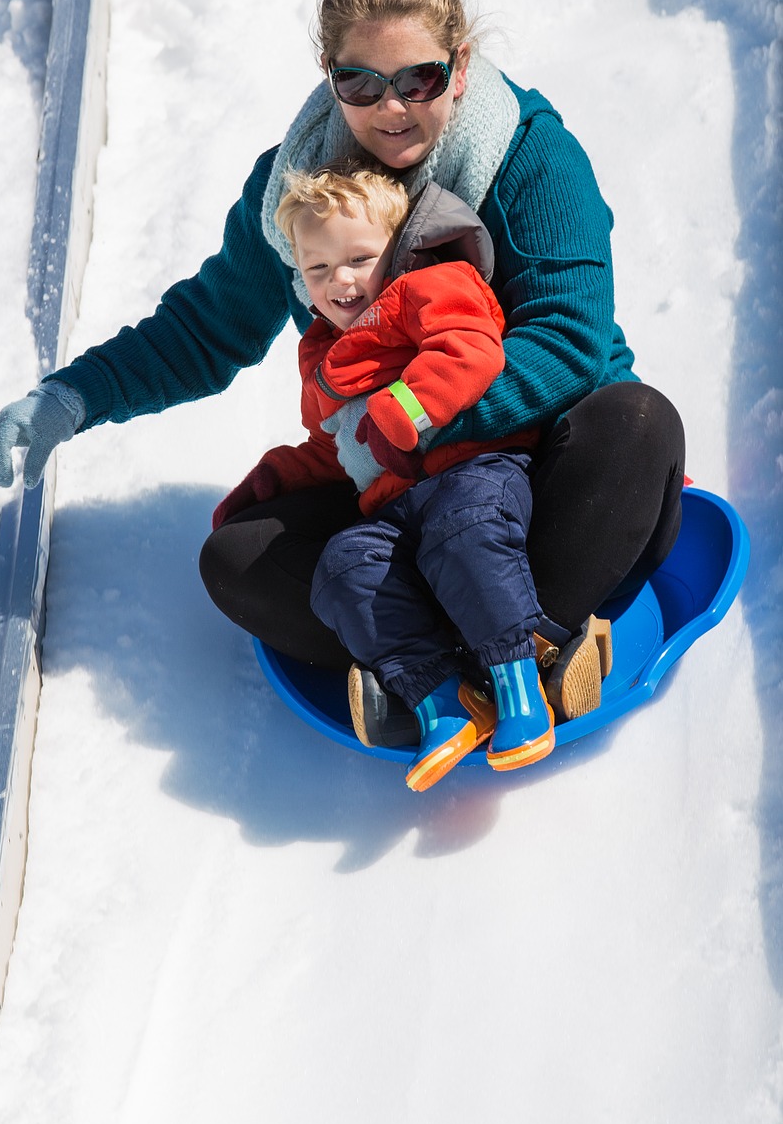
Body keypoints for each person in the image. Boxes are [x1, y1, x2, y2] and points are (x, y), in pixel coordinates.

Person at [0, 0, 685, 750]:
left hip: (534, 461)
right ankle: (501, 654)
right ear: (329, 73)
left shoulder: (529, 158)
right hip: (394, 482)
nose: (391, 108)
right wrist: (73, 395)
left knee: (639, 421)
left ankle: (467, 656)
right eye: (360, 83)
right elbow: (206, 327)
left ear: (460, 66)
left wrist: (411, 421)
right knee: (239, 558)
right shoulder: (300, 191)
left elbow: (567, 341)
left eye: (419, 80)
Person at [216, 160, 551, 790]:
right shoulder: (321, 355)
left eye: (359, 258)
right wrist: (279, 477)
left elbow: (470, 347)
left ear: (396, 251)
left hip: (476, 469)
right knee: (346, 565)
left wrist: (409, 406)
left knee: (463, 529)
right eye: (317, 269)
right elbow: (342, 449)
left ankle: (520, 683)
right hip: (395, 508)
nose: (339, 279)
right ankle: (444, 703)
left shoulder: (430, 286)